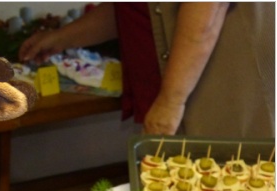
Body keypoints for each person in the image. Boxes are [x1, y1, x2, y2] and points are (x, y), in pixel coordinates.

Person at [19, 3, 275, 139]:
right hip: (172, 95)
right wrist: (61, 38)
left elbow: (207, 8)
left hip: (220, 94)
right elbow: (136, 8)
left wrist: (170, 102)